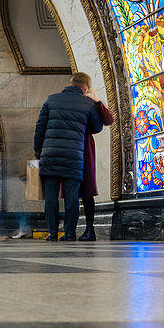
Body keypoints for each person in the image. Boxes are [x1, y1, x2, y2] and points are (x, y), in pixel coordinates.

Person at [34, 72, 105, 242]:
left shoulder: (51, 99)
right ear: (85, 87)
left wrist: (38, 151)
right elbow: (97, 127)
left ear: (69, 84)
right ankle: (70, 233)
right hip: (74, 155)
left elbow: (40, 128)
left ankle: (52, 233)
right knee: (71, 194)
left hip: (50, 154)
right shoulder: (87, 103)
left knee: (51, 195)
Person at [79, 93, 114, 241]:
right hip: (75, 147)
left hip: (83, 148)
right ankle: (77, 229)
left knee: (86, 191)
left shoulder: (88, 103)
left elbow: (107, 120)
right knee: (74, 191)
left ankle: (88, 229)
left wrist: (98, 102)